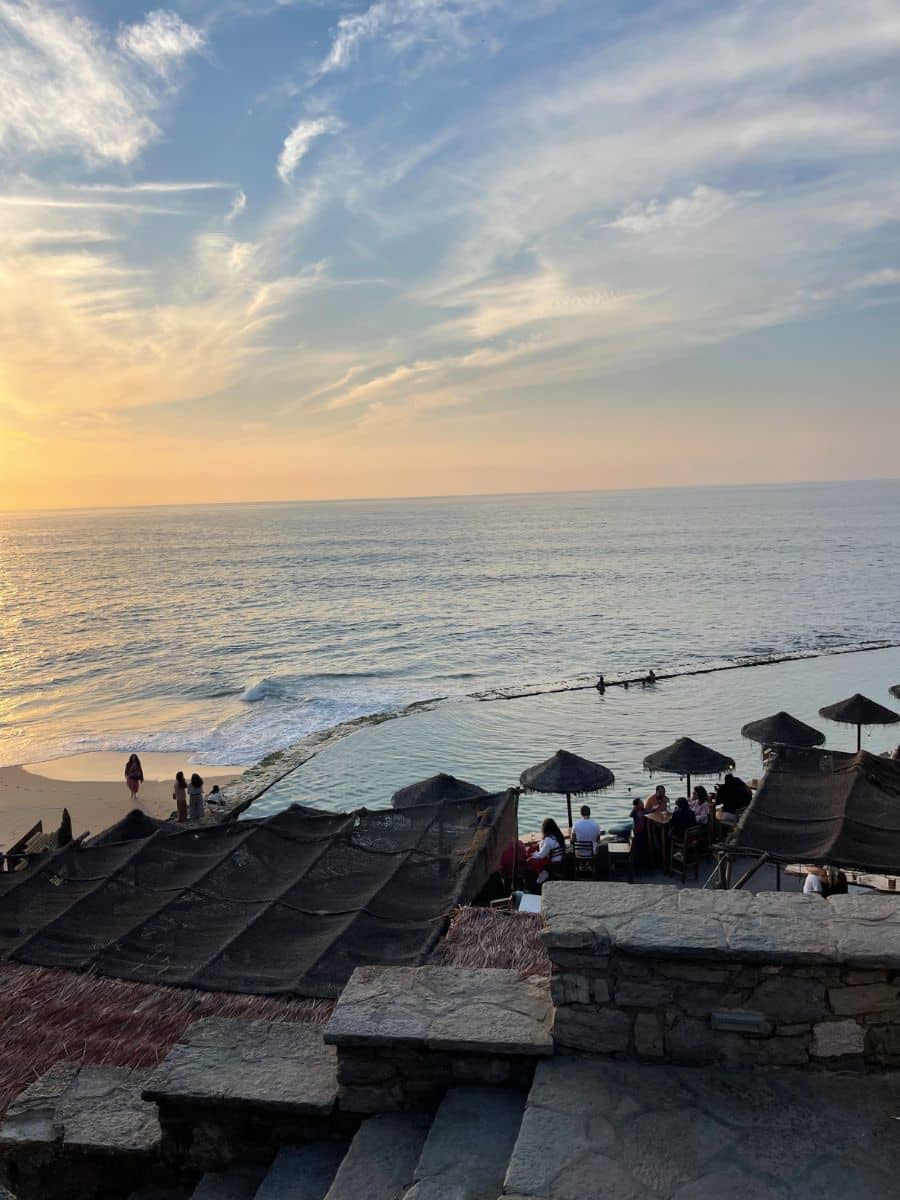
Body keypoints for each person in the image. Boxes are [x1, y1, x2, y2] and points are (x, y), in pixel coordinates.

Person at [526, 818, 566, 886]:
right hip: (559, 860)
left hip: (552, 863)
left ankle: (542, 873)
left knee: (529, 860)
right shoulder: (558, 836)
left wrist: (533, 853)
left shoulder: (548, 840)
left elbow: (541, 855)